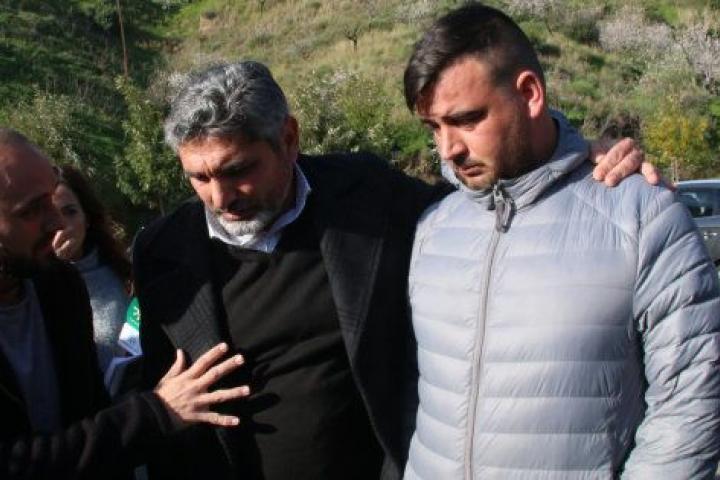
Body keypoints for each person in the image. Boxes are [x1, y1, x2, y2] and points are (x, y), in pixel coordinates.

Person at [134, 61, 655, 480]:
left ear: (288, 138)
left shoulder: (366, 196)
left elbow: (485, 201)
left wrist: (575, 155)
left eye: (237, 170)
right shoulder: (162, 251)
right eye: (198, 177)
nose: (219, 197)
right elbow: (166, 414)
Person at [402, 4, 720, 479]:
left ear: (530, 93)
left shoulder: (643, 218)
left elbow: (692, 403)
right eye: (434, 127)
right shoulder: (433, 227)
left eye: (466, 120)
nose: (448, 150)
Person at [0, 128, 250, 479]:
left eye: (52, 198)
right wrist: (156, 412)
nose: (56, 222)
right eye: (30, 211)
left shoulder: (59, 285)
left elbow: (90, 413)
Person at [52, 165, 133, 375]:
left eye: (70, 212)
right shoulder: (29, 287)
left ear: (86, 217)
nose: (61, 225)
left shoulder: (120, 272)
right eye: (51, 214)